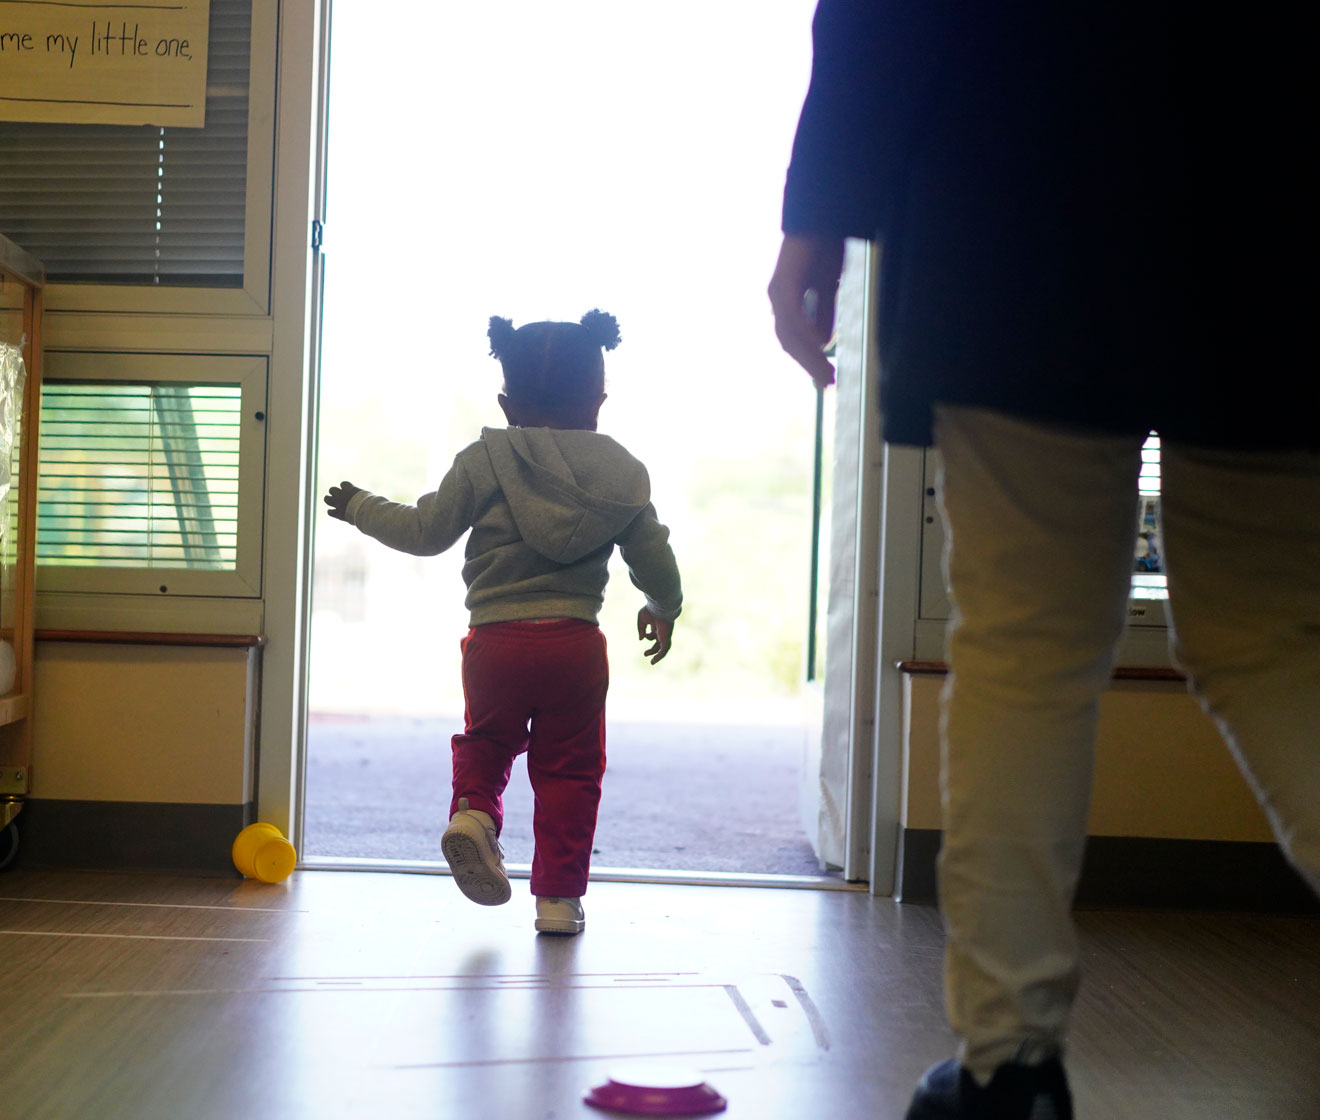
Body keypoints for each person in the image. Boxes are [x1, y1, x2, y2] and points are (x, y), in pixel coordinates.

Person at [768, 4, 1319, 1118]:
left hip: (1019, 171)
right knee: (1271, 636)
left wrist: (822, 205)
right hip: (1277, 176)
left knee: (1025, 644)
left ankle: (1007, 1065)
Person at [323, 310, 684, 936]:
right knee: (570, 771)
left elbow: (425, 531)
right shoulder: (621, 473)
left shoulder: (486, 458)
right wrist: (662, 606)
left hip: (495, 643)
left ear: (506, 401)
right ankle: (557, 901)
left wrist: (359, 505)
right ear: (598, 400)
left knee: (488, 740)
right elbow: (652, 553)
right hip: (575, 645)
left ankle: (473, 813)